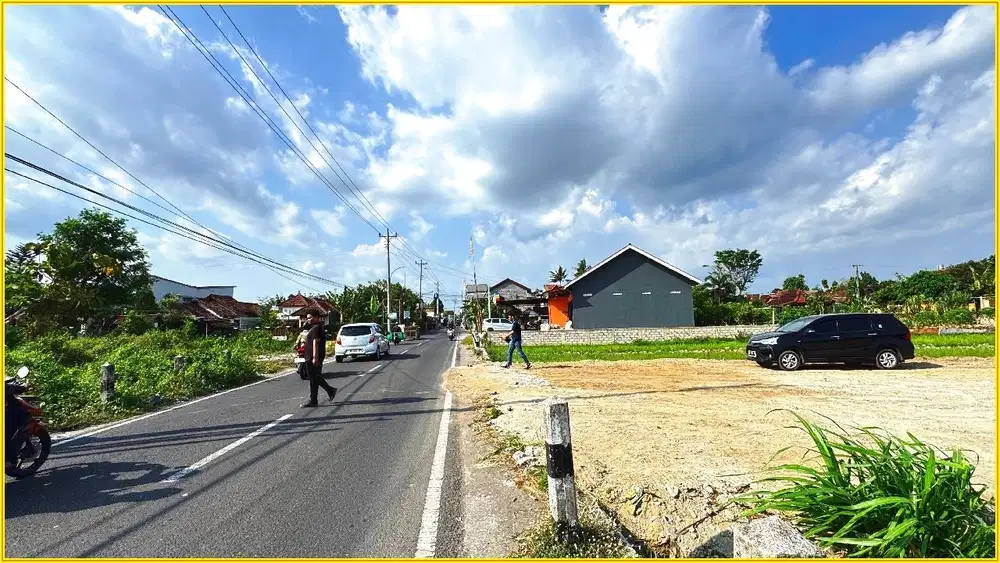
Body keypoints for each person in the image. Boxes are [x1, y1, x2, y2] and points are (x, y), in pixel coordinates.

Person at [302, 311, 336, 408]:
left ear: (317, 317)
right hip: (311, 356)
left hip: (313, 357)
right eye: (307, 318)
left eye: (310, 317)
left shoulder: (316, 328)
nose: (308, 320)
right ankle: (314, 399)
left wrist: (314, 357)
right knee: (314, 378)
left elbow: (315, 343)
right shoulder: (314, 328)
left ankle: (329, 390)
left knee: (314, 377)